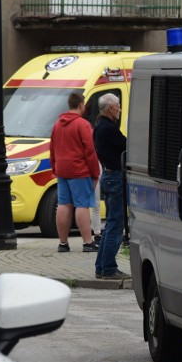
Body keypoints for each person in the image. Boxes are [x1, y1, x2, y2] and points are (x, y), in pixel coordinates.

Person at [49, 92, 100, 253]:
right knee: (82, 205)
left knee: (63, 204)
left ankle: (63, 243)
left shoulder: (57, 124)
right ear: (81, 105)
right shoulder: (82, 124)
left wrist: (55, 167)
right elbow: (90, 151)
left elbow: (52, 148)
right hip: (79, 171)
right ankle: (87, 242)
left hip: (62, 170)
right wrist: (95, 173)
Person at [92, 93, 130, 279]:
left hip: (107, 176)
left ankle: (101, 267)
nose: (120, 109)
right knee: (116, 224)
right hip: (114, 177)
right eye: (118, 106)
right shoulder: (108, 128)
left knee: (110, 225)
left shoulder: (100, 125)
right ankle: (108, 268)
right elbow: (126, 145)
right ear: (110, 109)